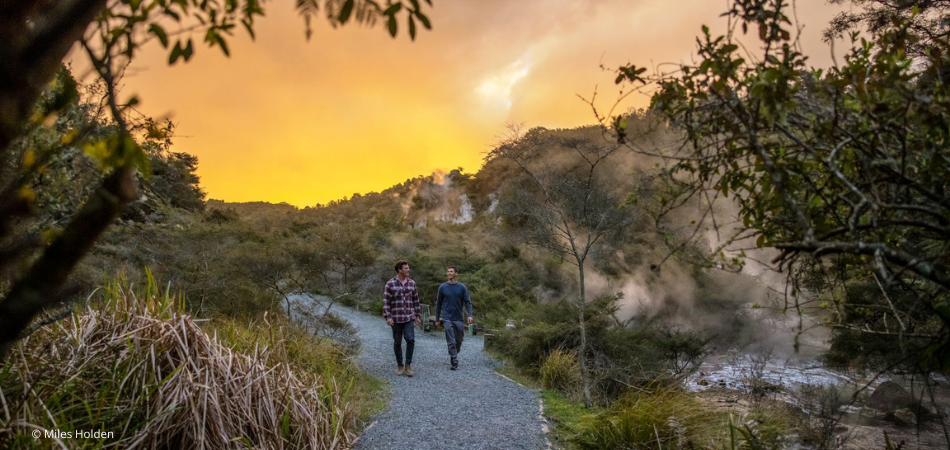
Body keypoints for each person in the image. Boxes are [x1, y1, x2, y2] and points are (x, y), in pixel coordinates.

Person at [383, 260, 422, 377]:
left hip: (409, 317)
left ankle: (408, 365)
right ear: (399, 270)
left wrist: (418, 315)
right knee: (397, 341)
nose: (408, 270)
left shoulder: (412, 283)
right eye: (406, 268)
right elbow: (386, 302)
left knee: (410, 339)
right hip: (396, 317)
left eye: (408, 268)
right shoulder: (390, 284)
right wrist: (388, 316)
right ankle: (400, 365)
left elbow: (416, 300)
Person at [435, 265, 473, 370]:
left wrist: (470, 315)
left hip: (458, 318)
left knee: (459, 340)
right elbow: (438, 304)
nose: (449, 273)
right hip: (447, 317)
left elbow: (468, 302)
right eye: (448, 271)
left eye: (451, 271)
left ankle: (454, 352)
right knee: (450, 340)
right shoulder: (442, 287)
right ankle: (454, 360)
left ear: (456, 274)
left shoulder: (462, 287)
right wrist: (437, 319)